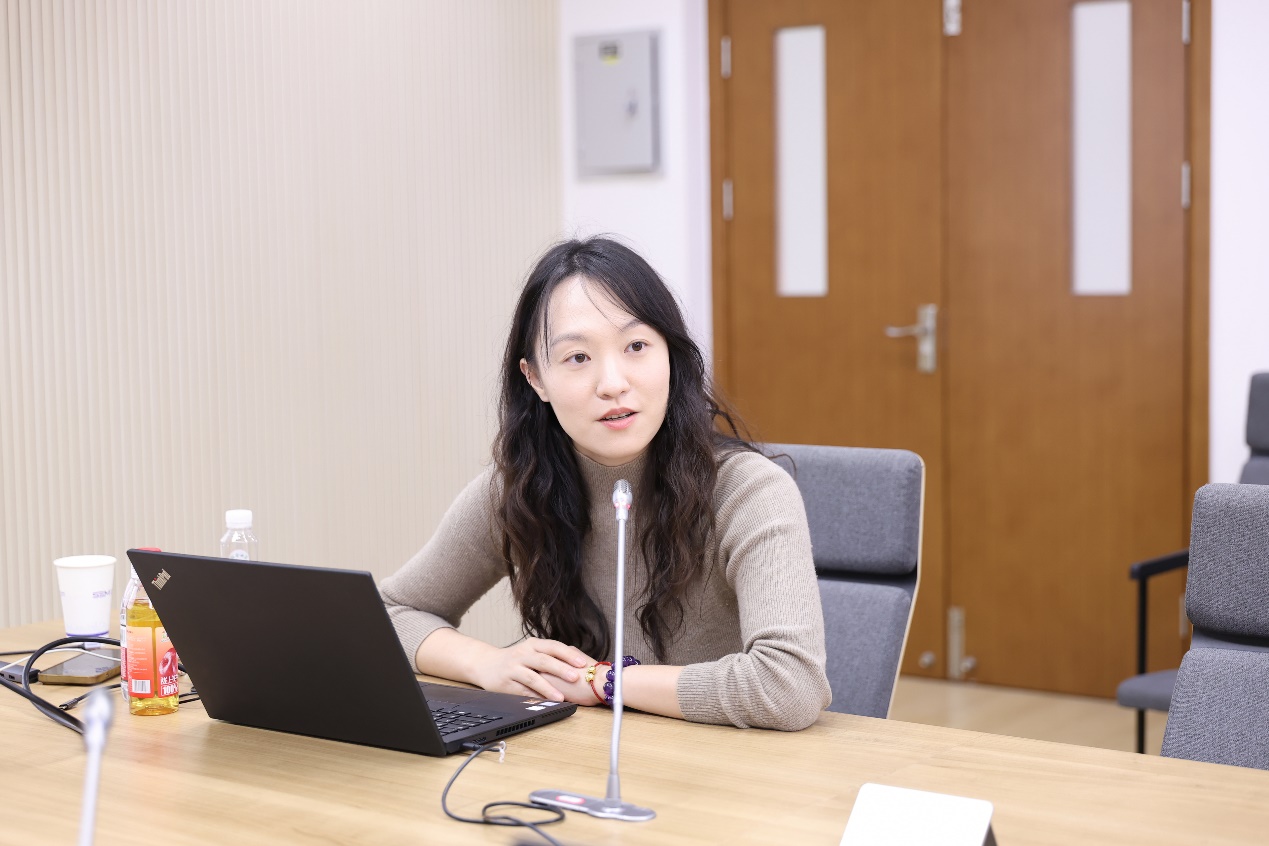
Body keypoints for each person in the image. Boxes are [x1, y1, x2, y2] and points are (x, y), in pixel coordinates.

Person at [380, 237, 830, 731]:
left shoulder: (748, 492)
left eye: (636, 347)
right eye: (577, 358)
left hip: (722, 764)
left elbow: (790, 685)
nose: (612, 383)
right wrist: (486, 663)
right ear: (535, 379)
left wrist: (604, 681)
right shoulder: (517, 490)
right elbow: (388, 614)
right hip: (581, 760)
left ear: (671, 356)